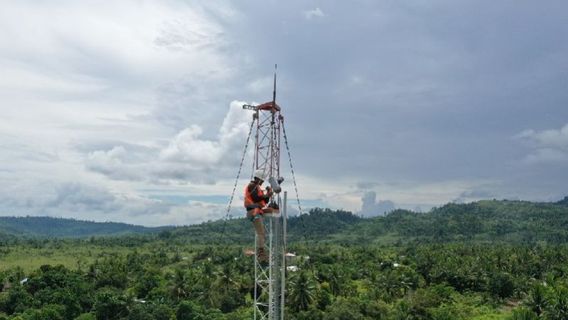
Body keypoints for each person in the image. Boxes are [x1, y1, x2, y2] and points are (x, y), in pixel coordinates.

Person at [244, 169, 274, 264]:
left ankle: (261, 252)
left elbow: (264, 202)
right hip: (254, 212)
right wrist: (267, 194)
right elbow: (256, 198)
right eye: (262, 180)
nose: (262, 182)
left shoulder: (258, 188)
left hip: (256, 212)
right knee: (261, 233)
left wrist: (268, 195)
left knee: (262, 234)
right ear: (258, 179)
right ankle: (260, 253)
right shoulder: (252, 185)